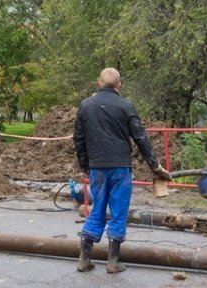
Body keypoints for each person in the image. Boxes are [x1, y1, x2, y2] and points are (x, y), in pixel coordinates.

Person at [72, 68, 172, 274]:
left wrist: (86, 166)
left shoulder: (85, 106)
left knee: (97, 207)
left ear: (99, 83)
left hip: (97, 167)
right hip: (120, 167)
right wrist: (155, 166)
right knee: (118, 211)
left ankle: (84, 259)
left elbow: (78, 139)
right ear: (119, 85)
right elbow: (140, 137)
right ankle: (113, 262)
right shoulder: (125, 106)